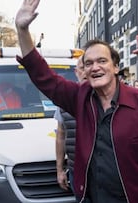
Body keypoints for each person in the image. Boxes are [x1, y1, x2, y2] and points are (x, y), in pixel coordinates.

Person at [15, 1, 138, 202]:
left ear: (116, 67)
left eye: (102, 61)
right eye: (88, 63)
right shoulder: (80, 98)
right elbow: (45, 78)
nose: (94, 67)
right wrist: (22, 30)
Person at [54, 56, 86, 196]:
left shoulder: (106, 99)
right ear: (76, 72)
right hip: (76, 170)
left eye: (89, 66)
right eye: (82, 68)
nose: (86, 72)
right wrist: (60, 170)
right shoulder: (64, 101)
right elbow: (60, 137)